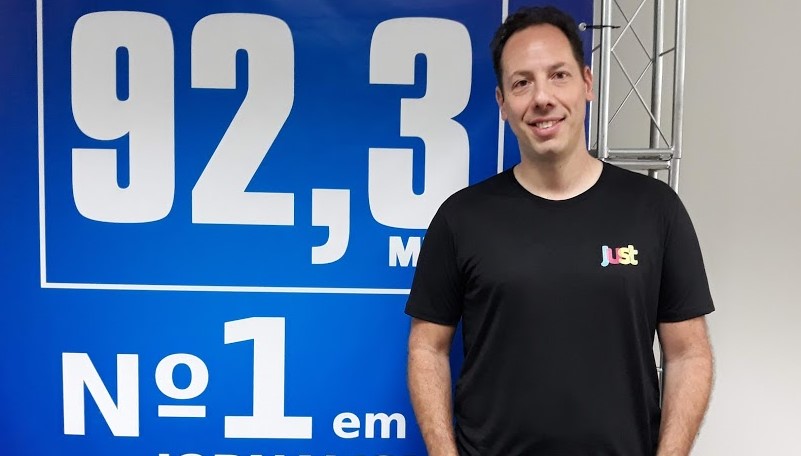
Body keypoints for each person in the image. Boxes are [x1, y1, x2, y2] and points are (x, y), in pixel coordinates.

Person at [405, 5, 714, 456]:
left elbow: (689, 353)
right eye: (522, 83)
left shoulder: (655, 210)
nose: (542, 98)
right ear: (502, 103)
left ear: (587, 83)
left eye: (558, 75)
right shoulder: (461, 218)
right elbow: (427, 348)